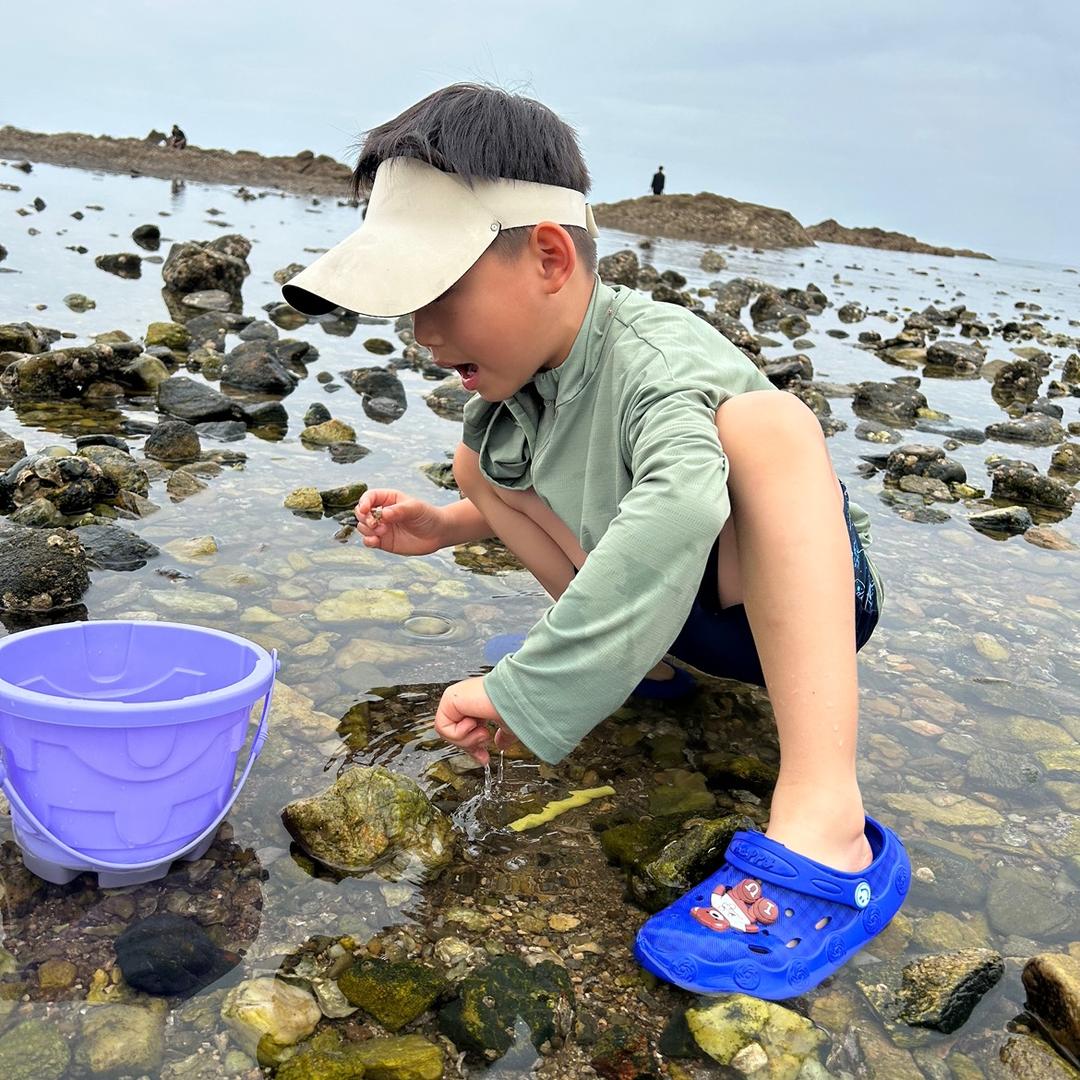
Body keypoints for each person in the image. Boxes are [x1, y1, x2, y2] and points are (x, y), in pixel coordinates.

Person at [281, 83, 909, 1001]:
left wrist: (530, 685)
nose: (419, 334)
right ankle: (640, 669)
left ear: (547, 256)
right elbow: (568, 490)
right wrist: (450, 526)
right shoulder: (525, 377)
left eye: (438, 294)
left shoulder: (656, 359)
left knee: (768, 428)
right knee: (478, 461)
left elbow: (682, 508)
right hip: (677, 611)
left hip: (787, 603)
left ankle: (824, 813)